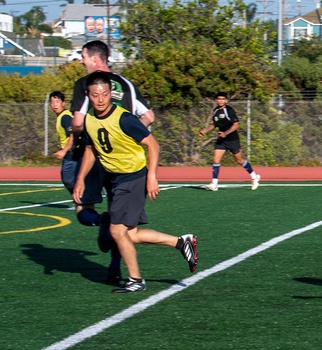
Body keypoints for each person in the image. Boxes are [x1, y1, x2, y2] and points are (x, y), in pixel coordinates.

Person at [73, 71, 198, 293]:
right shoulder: (89, 119)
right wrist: (81, 179)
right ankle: (181, 242)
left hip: (132, 177)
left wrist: (152, 176)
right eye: (95, 95)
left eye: (105, 94)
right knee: (129, 234)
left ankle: (136, 280)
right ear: (88, 95)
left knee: (116, 231)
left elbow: (153, 144)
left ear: (111, 93)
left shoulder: (124, 118)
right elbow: (91, 150)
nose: (100, 99)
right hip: (115, 179)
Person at [70, 40, 155, 284]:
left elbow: (78, 122)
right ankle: (115, 267)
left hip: (95, 155)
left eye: (84, 56)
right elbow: (149, 116)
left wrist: (75, 141)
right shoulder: (126, 84)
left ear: (95, 59)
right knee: (120, 220)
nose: (82, 61)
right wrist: (125, 136)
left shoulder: (87, 85)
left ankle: (100, 221)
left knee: (83, 208)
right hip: (123, 162)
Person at [198, 92, 261, 191]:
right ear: (216, 100)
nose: (221, 101)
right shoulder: (216, 111)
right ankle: (214, 184)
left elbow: (236, 125)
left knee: (239, 160)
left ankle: (254, 176)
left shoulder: (229, 110)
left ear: (226, 100)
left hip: (232, 139)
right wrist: (205, 131)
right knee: (215, 159)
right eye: (219, 99)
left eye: (223, 99)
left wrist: (226, 133)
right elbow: (215, 124)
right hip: (222, 139)